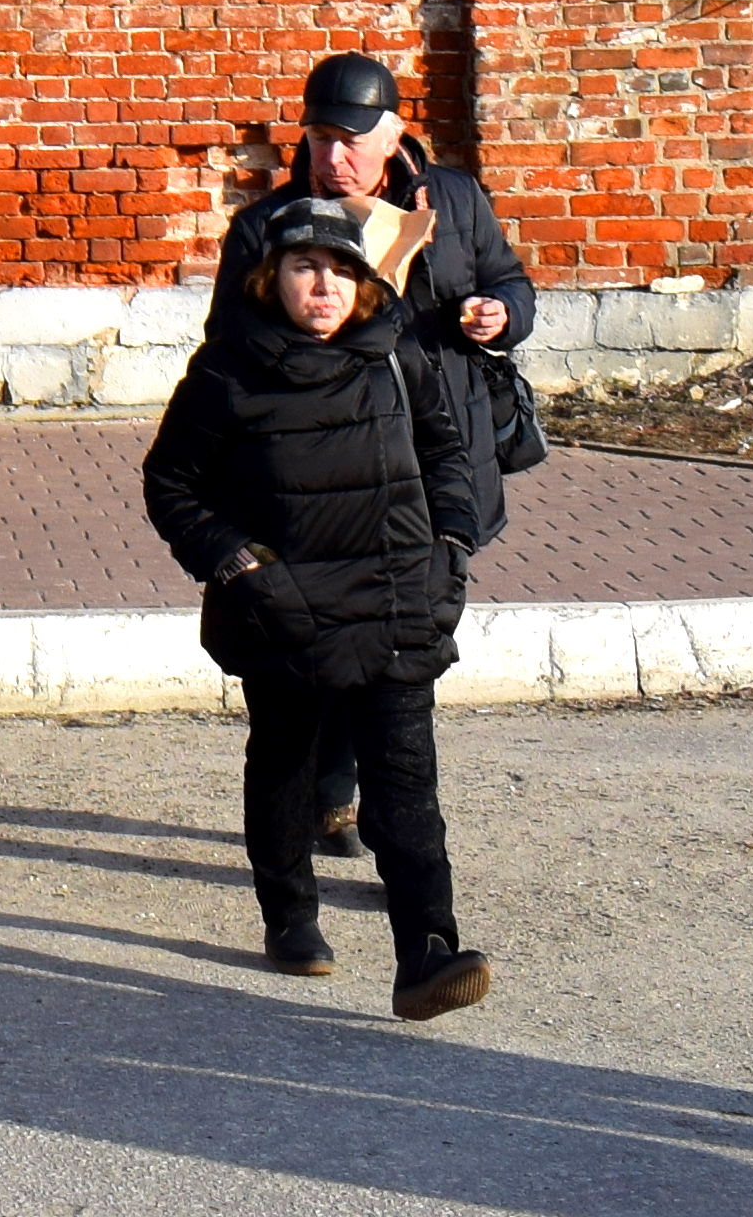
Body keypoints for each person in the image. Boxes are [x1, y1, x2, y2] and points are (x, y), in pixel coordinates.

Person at [141, 198, 497, 1017]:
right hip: (284, 610)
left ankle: (426, 955)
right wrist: (240, 567)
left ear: (364, 284)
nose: (324, 286)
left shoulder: (398, 357)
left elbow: (448, 452)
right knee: (288, 765)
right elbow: (172, 485)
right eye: (306, 268)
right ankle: (291, 918)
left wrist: (451, 546)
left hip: (400, 601)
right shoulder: (228, 371)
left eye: (341, 270)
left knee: (406, 788)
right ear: (272, 280)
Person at [211, 51, 534, 851]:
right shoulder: (266, 228)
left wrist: (500, 312)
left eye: (352, 138)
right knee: (329, 636)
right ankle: (328, 793)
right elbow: (229, 347)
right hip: (324, 474)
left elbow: (512, 281)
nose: (334, 157)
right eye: (319, 137)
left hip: (433, 458)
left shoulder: (453, 201)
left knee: (404, 645)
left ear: (394, 136)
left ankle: (391, 821)